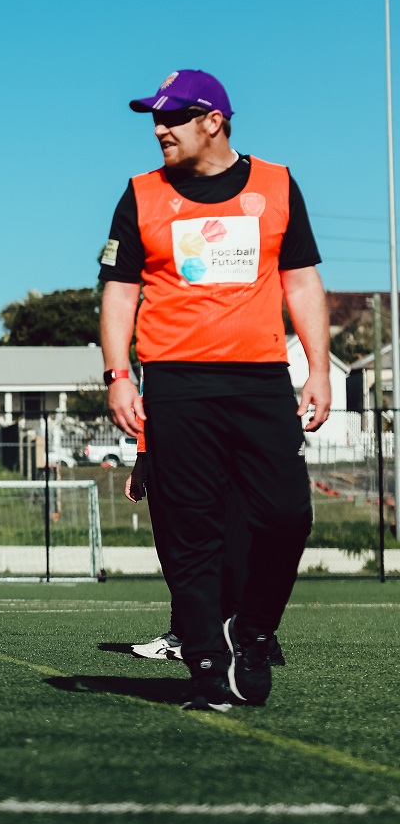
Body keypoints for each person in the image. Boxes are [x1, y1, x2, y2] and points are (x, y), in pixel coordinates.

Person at [100, 69, 328, 711]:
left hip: (259, 380)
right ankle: (206, 659)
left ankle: (252, 631)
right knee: (187, 529)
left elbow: (303, 281)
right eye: (154, 117)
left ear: (213, 120)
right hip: (175, 382)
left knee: (287, 515)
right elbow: (120, 291)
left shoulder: (276, 184)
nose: (159, 128)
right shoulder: (141, 194)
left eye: (172, 117)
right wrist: (120, 374)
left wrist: (317, 367)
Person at [126, 418, 284, 667]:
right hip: (162, 453)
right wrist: (141, 461)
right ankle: (184, 634)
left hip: (198, 449)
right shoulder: (156, 382)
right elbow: (149, 409)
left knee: (213, 547)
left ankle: (250, 638)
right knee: (173, 552)